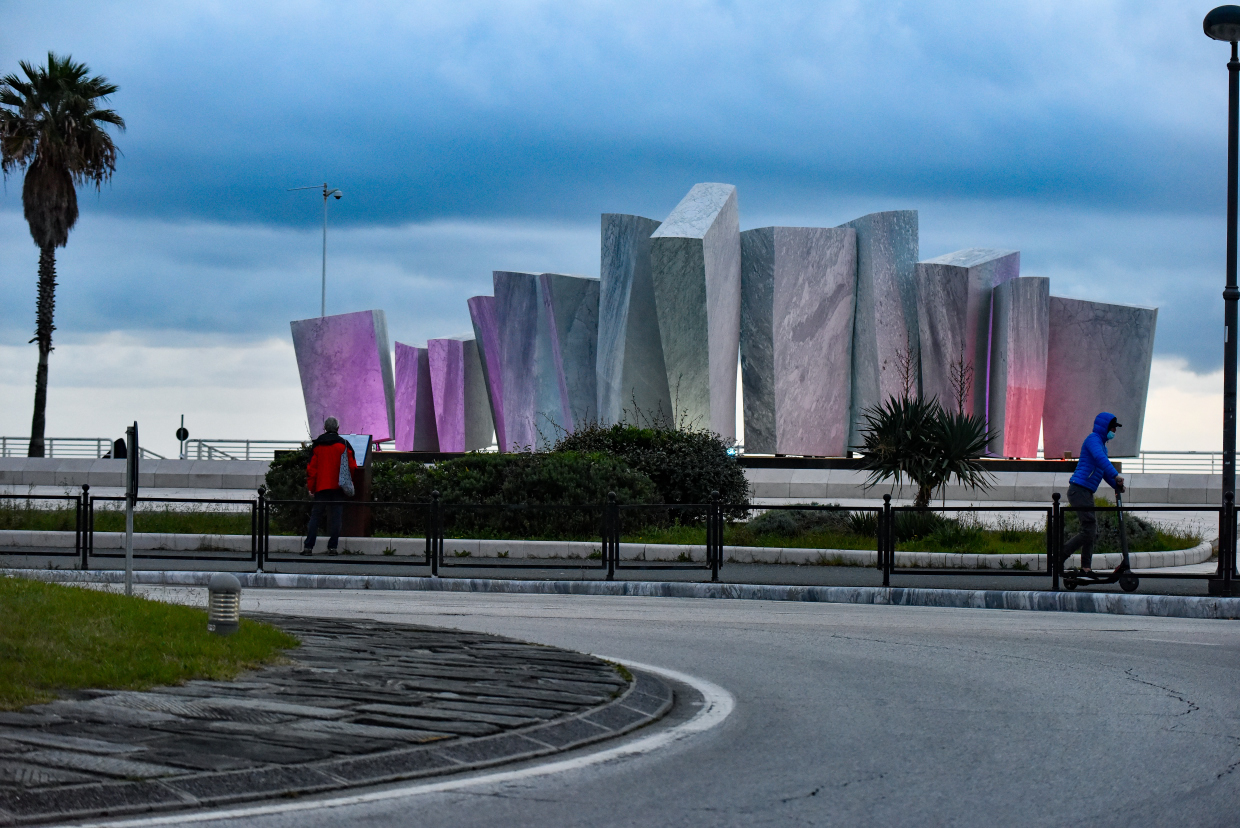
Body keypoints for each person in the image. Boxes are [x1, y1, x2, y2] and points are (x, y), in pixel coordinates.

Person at [1060, 412, 1126, 574]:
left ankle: (1086, 567)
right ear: (1105, 427)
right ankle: (1060, 556)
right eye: (1113, 428)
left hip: (1085, 491)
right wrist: (1116, 475)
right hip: (1079, 489)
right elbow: (1099, 459)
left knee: (1091, 531)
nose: (1114, 432)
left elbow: (1103, 470)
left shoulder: (1102, 445)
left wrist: (1115, 485)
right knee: (1088, 530)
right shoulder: (1093, 440)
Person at [301, 417, 358, 556]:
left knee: (315, 517)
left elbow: (311, 469)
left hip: (321, 487)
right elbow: (352, 466)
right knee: (336, 517)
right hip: (338, 487)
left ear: (325, 428)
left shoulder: (318, 445)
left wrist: (311, 487)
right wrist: (348, 482)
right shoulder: (344, 444)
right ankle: (332, 548)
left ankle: (308, 547)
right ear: (338, 428)